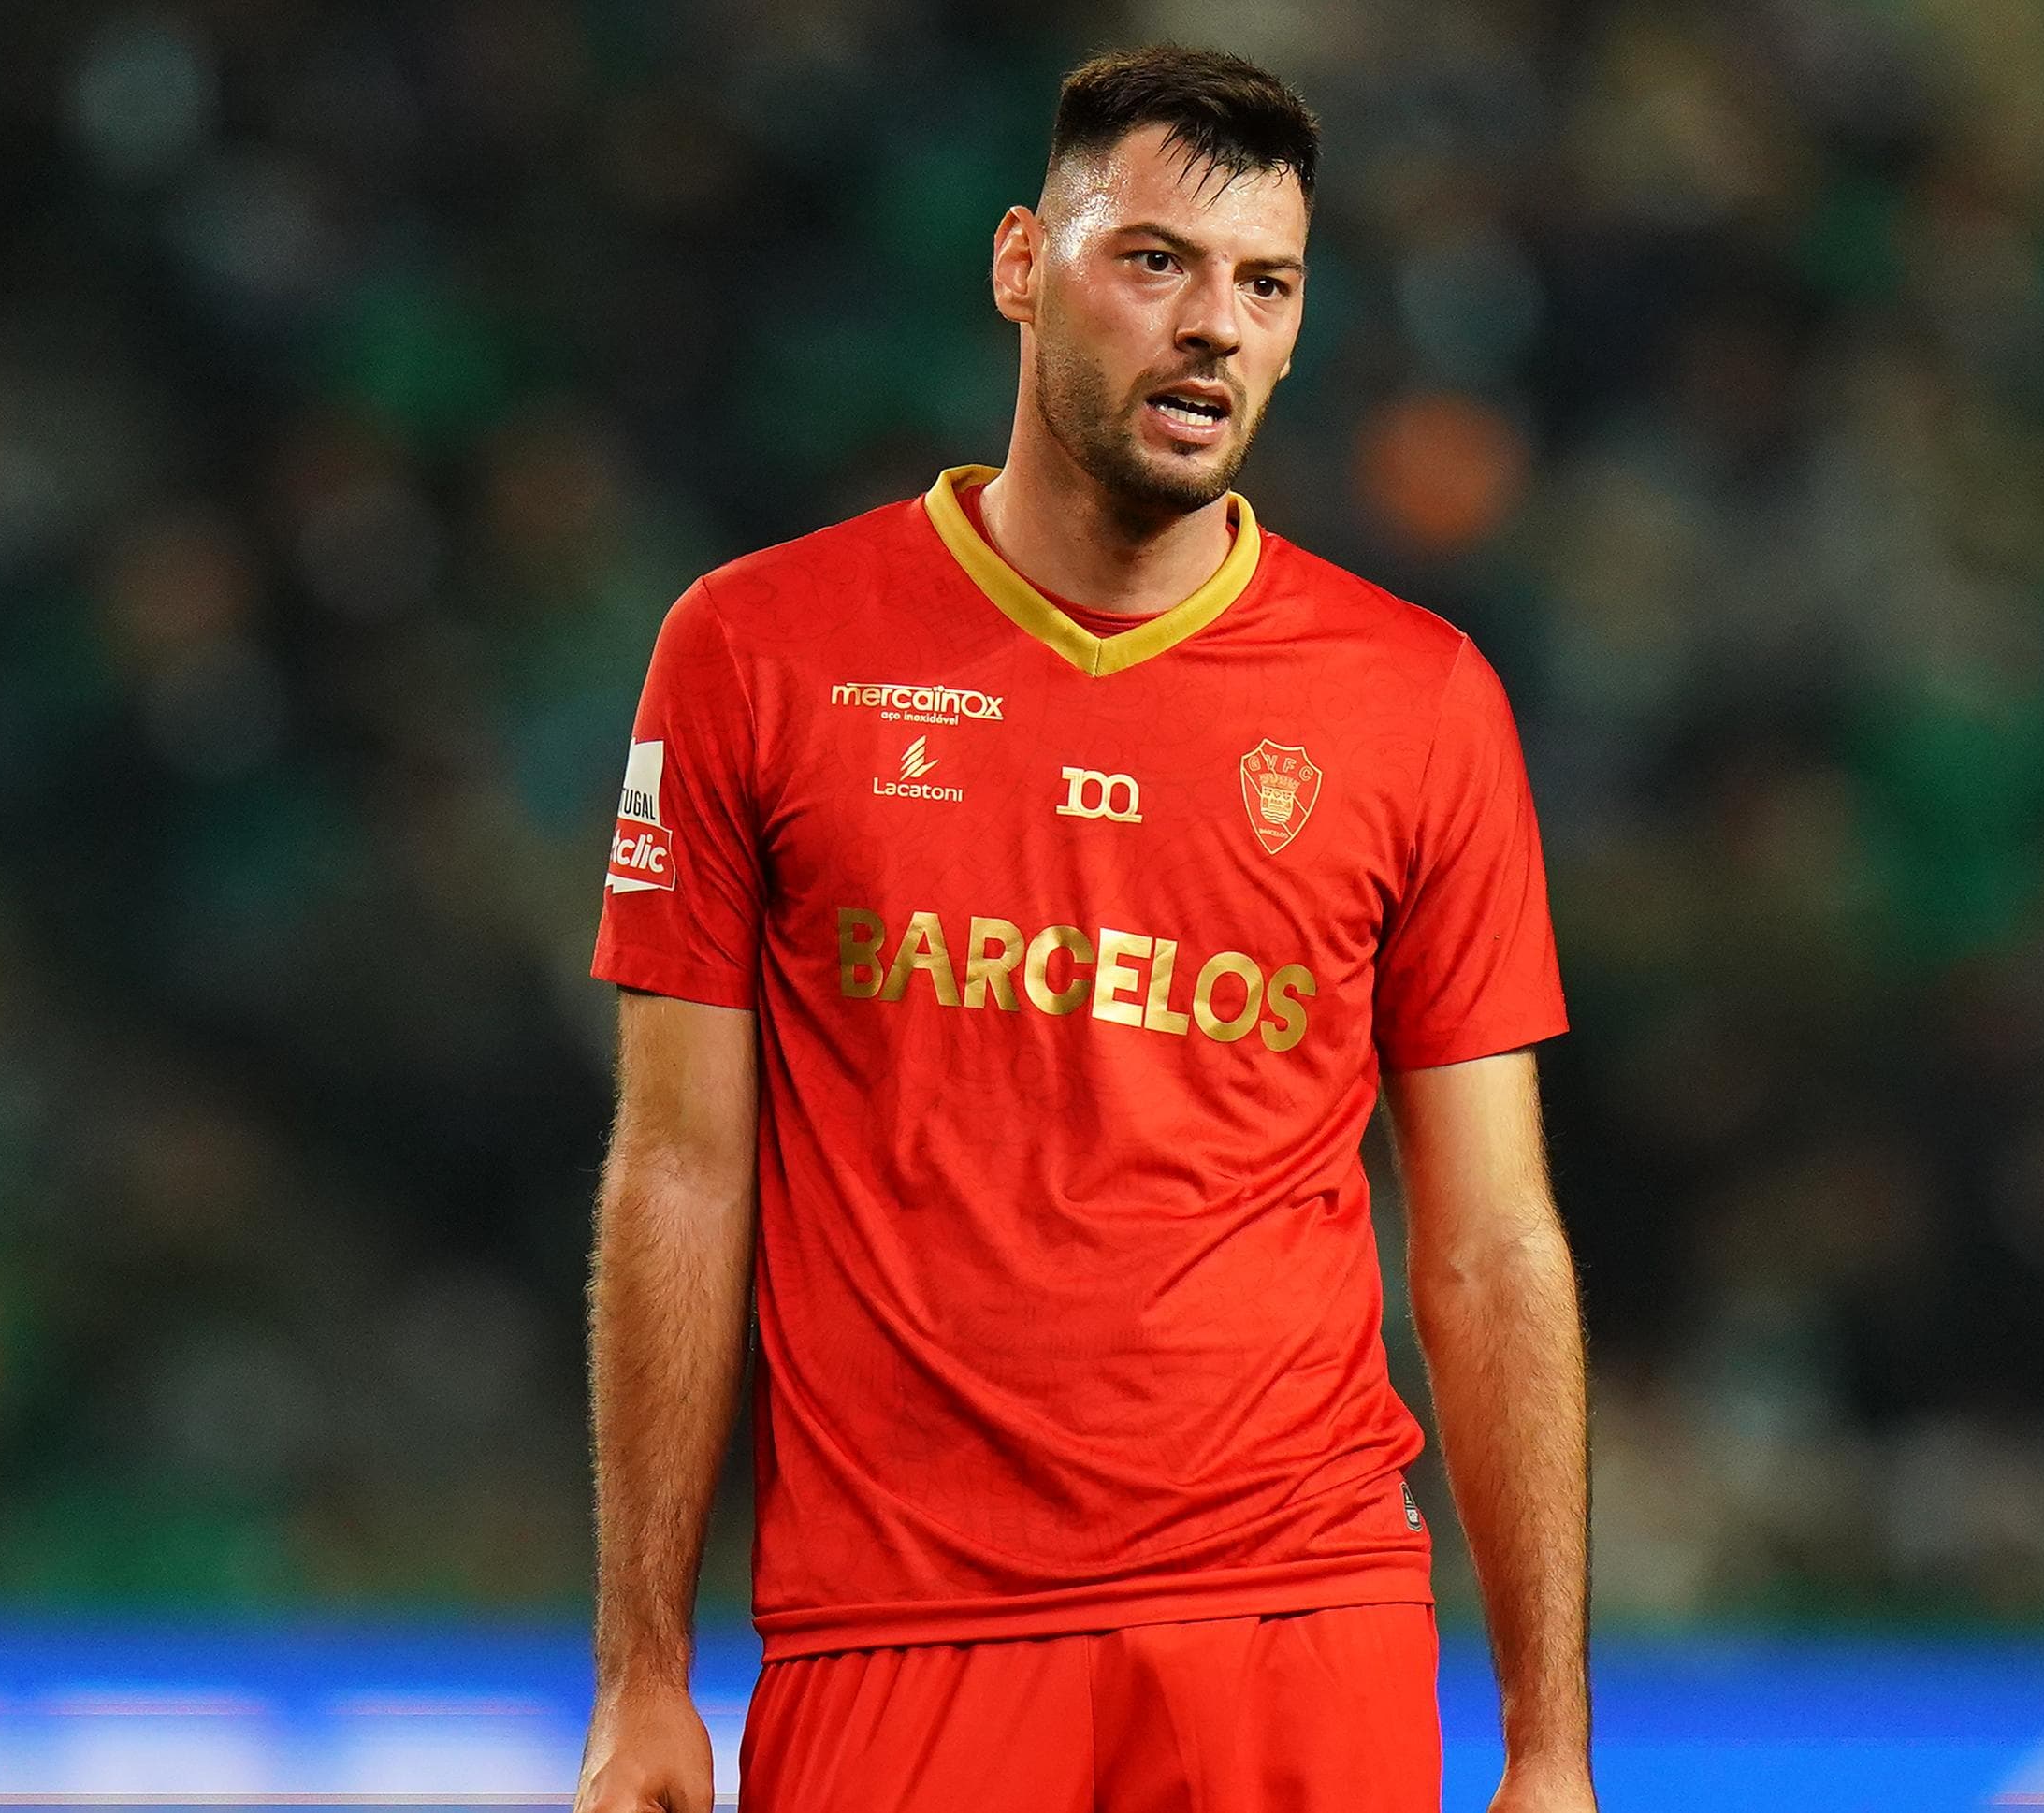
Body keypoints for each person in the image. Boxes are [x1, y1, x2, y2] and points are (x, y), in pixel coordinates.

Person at [573, 44, 1592, 1813]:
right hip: (896, 1627)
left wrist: (1549, 1745)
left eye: (1263, 286)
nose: (1213, 326)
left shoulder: (1416, 701)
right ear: (1017, 263)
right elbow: (677, 1171)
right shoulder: (754, 649)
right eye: (1154, 261)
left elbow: (1490, 1241)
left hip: (1301, 1610)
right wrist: (639, 1672)